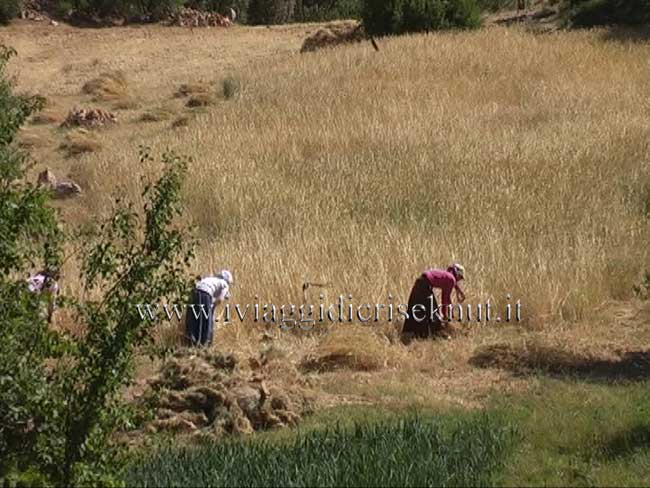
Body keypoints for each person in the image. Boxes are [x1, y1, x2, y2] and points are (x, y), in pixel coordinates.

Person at [402, 263, 466, 341]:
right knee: (433, 312)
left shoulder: (448, 275)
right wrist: (445, 316)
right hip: (425, 286)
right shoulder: (451, 279)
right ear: (457, 274)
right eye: (460, 277)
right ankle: (435, 335)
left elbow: (452, 282)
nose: (459, 280)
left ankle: (410, 334)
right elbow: (445, 299)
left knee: (416, 309)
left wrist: (458, 291)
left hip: (419, 282)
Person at [185, 269, 233, 346]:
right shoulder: (224, 284)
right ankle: (205, 346)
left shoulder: (210, 279)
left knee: (193, 319)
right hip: (205, 294)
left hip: (194, 292)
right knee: (206, 321)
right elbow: (220, 299)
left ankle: (190, 343)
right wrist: (211, 308)